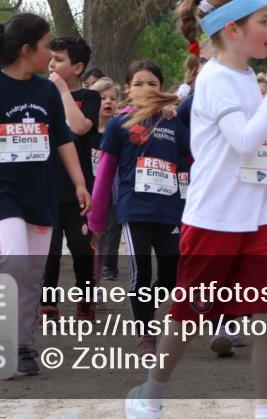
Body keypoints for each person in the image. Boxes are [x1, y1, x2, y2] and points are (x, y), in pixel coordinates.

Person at [125, 0, 267, 419]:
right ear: (232, 30)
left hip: (259, 219)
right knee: (187, 318)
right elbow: (243, 140)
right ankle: (150, 395)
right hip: (214, 222)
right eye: (264, 21)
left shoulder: (244, 76)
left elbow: (243, 146)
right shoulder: (216, 79)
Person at [0, 12, 91, 377]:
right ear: (27, 49)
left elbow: (62, 139)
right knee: (15, 261)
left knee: (31, 272)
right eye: (47, 47)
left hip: (41, 193)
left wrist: (79, 182)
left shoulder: (47, 90)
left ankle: (21, 344)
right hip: (1, 190)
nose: (51, 54)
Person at [88, 60, 188, 357]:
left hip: (170, 210)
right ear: (128, 89)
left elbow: (190, 164)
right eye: (139, 84)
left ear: (161, 88)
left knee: (172, 273)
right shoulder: (120, 124)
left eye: (153, 84)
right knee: (140, 271)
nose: (146, 89)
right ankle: (145, 333)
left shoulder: (174, 123)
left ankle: (145, 304)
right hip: (134, 209)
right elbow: (106, 172)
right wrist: (96, 218)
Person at [41, 36, 101, 321]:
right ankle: (47, 303)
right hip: (48, 185)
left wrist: (63, 90)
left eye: (60, 59)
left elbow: (79, 127)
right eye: (51, 57)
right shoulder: (40, 93)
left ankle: (85, 298)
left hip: (79, 188)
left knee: (80, 246)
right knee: (49, 249)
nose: (52, 63)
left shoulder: (90, 97)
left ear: (77, 67)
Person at [90, 77, 122, 280]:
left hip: (111, 190)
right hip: (87, 189)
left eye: (113, 98)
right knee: (89, 239)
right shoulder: (85, 129)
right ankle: (88, 279)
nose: (108, 102)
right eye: (103, 97)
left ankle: (101, 275)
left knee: (106, 234)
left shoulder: (119, 129)